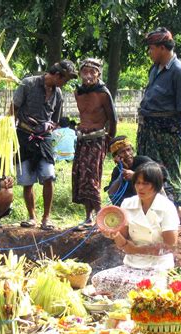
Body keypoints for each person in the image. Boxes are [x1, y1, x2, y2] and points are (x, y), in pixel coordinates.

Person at [91, 162, 179, 299]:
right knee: (99, 279)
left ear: (156, 185)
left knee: (143, 290)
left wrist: (137, 250)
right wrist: (113, 234)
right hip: (132, 263)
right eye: (137, 183)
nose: (140, 187)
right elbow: (123, 241)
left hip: (158, 265)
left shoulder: (166, 207)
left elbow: (170, 246)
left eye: (146, 184)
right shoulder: (128, 204)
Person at [14, 60, 77, 230]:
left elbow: (56, 121)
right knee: (27, 180)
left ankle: (46, 218)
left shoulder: (58, 94)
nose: (64, 84)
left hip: (45, 139)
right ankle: (32, 217)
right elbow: (13, 109)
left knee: (49, 176)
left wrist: (48, 126)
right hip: (24, 135)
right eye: (65, 80)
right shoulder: (28, 84)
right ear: (57, 75)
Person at [137, 27, 181, 207]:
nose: (149, 52)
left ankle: (174, 211)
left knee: (168, 173)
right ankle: (151, 209)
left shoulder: (180, 73)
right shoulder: (154, 69)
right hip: (147, 131)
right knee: (147, 172)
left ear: (163, 48)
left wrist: (164, 123)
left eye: (152, 48)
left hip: (166, 134)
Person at [72, 58, 117, 227]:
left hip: (97, 139)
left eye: (93, 72)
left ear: (98, 74)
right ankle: (88, 216)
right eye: (85, 71)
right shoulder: (78, 93)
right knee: (81, 176)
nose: (88, 75)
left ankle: (101, 215)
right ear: (79, 73)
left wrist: (108, 141)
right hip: (82, 140)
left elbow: (113, 119)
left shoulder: (103, 93)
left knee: (92, 177)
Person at [105, 135, 175, 206]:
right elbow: (111, 192)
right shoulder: (117, 170)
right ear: (116, 157)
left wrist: (135, 176)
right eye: (122, 152)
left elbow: (161, 175)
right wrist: (121, 175)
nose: (127, 154)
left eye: (129, 150)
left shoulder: (143, 161)